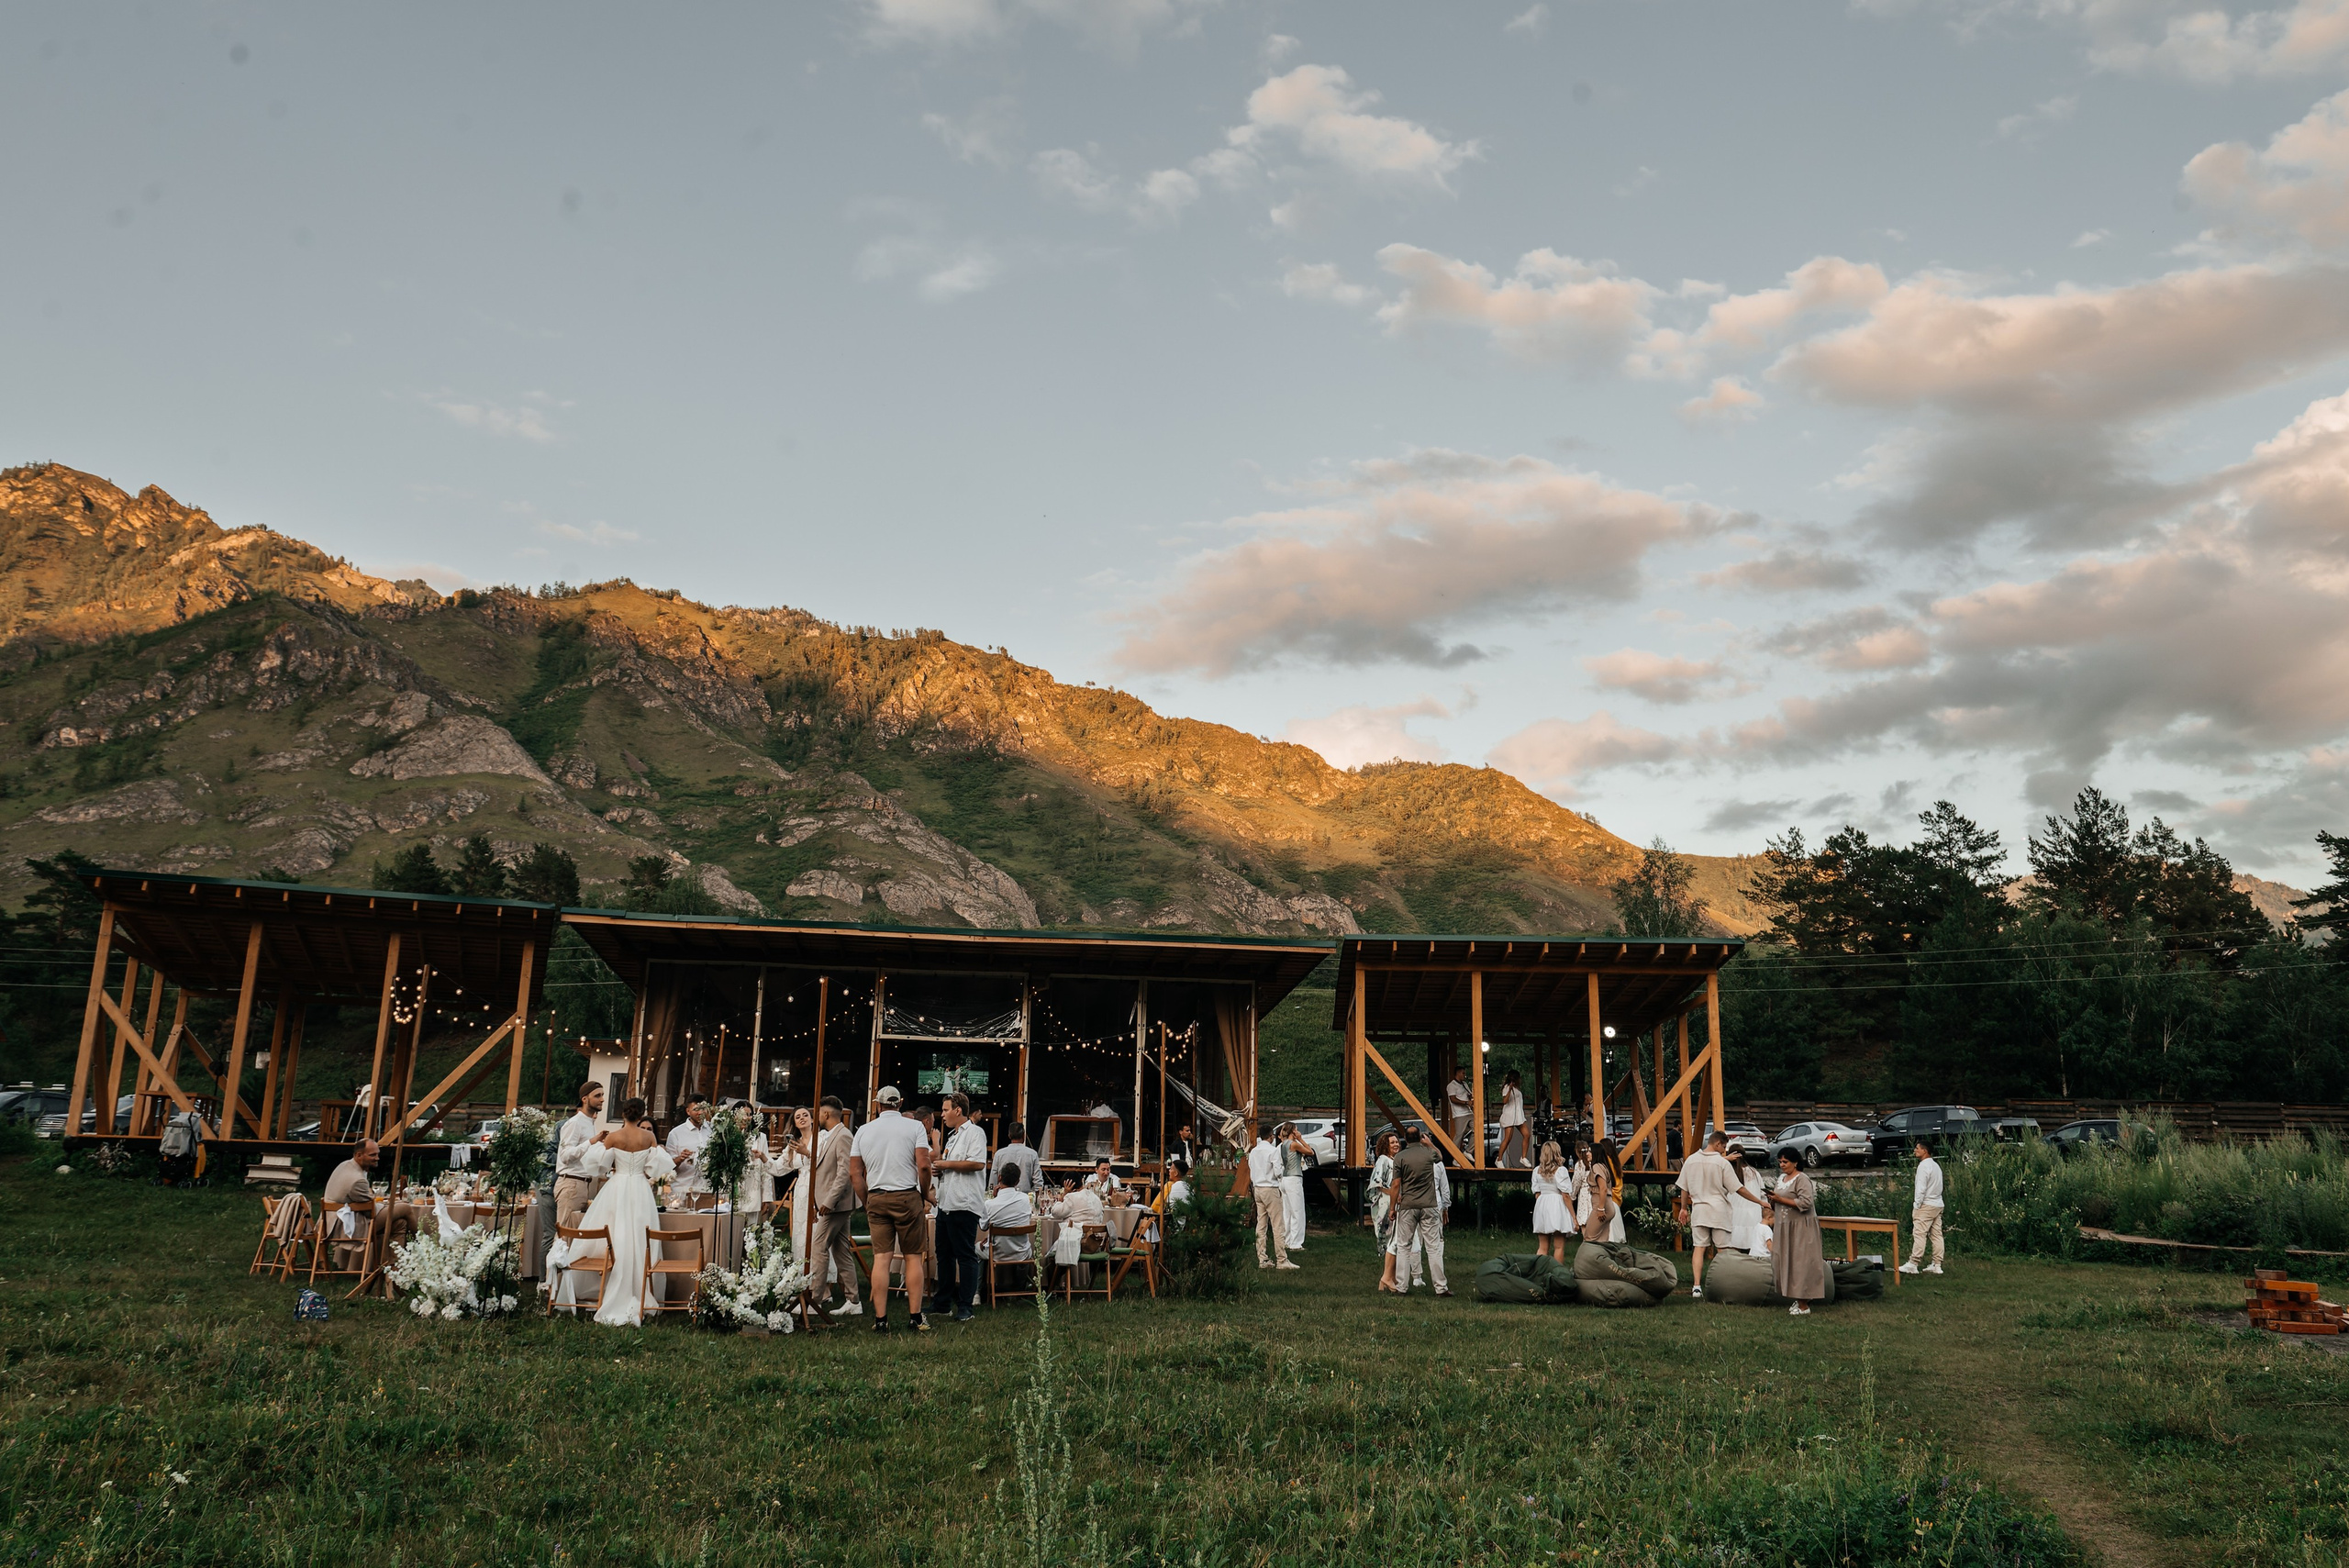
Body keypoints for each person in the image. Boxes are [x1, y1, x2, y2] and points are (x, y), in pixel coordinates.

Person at [558, 1098, 677, 1328]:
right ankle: (639, 1289)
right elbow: (656, 1167)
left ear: (623, 1114)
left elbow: (599, 1166)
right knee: (640, 1236)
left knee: (615, 1233)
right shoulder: (649, 1137)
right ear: (642, 1115)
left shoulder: (613, 1137)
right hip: (640, 1190)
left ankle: (606, 1286)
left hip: (617, 1187)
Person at [849, 1085, 933, 1333]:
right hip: (907, 1196)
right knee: (913, 1257)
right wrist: (924, 1193)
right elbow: (925, 1166)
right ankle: (916, 1318)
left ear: (878, 1105)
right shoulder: (915, 1127)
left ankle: (881, 1320)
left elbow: (855, 1173)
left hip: (876, 1196)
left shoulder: (863, 1131)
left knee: (881, 1259)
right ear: (900, 1103)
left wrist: (867, 1201)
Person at [933, 1092, 989, 1323]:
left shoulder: (975, 1133)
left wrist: (945, 1164)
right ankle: (942, 1303)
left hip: (964, 1204)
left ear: (958, 1110)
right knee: (943, 1255)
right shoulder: (952, 1137)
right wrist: (940, 1169)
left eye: (946, 1110)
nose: (943, 1114)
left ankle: (965, 1306)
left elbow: (977, 1163)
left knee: (965, 1255)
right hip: (945, 1203)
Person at [809, 1097, 862, 1317]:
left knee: (818, 1247)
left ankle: (815, 1300)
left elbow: (844, 1173)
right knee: (841, 1252)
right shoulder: (833, 1135)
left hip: (837, 1205)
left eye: (818, 1113)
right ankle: (854, 1301)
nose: (816, 1117)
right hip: (833, 1204)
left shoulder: (843, 1136)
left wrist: (828, 1201)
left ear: (826, 1114)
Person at [1674, 1130, 1740, 1299]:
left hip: (1699, 1209)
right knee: (1722, 1249)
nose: (1724, 1151)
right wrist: (1759, 1201)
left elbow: (1684, 1188)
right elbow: (1737, 1188)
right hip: (1718, 1210)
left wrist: (1683, 1208)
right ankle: (1724, 1284)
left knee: (1699, 1248)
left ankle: (1696, 1286)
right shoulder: (1722, 1163)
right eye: (1724, 1146)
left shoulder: (1691, 1160)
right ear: (1717, 1143)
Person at [1390, 1126, 1449, 1296]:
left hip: (1408, 1205)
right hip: (1429, 1205)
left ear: (1405, 1139)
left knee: (1403, 1246)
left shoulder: (1400, 1157)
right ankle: (1441, 1287)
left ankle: (1401, 1287)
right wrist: (1430, 1144)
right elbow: (1440, 1156)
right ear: (1420, 1137)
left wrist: (1392, 1208)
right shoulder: (1428, 1154)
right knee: (1433, 1247)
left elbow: (1395, 1185)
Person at [1767, 1150, 1828, 1315]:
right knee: (1786, 1261)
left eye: (1785, 1162)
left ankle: (1804, 1304)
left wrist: (1781, 1200)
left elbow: (1806, 1202)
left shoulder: (1802, 1179)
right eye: (1780, 1162)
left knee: (1801, 1263)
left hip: (1801, 1227)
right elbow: (1779, 1200)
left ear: (1795, 1162)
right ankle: (1797, 1297)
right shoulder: (1781, 1179)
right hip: (1784, 1227)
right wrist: (1773, 1200)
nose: (1782, 1165)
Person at [553, 1081, 607, 1230]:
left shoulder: (590, 1123)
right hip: (571, 1184)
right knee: (564, 1236)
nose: (602, 1099)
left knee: (576, 1238)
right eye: (597, 1095)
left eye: (602, 1095)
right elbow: (565, 1155)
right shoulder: (575, 1123)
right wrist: (591, 1141)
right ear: (584, 1099)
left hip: (584, 1185)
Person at [322, 1140, 381, 1263]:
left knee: (399, 1222)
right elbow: (370, 1212)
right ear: (359, 1155)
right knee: (404, 1211)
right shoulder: (357, 1180)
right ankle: (397, 1265)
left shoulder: (344, 1165)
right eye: (373, 1155)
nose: (377, 1158)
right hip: (343, 1227)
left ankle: (352, 1264)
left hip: (327, 1222)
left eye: (377, 1154)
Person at [1246, 1126, 1296, 1270]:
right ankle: (1281, 1259)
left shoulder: (1254, 1152)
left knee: (1261, 1224)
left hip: (1258, 1189)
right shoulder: (1273, 1151)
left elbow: (1251, 1169)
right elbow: (1278, 1171)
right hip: (1271, 1188)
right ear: (1271, 1136)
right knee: (1277, 1225)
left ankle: (1262, 1258)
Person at [1901, 1140, 1946, 1275]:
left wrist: (1917, 1206)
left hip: (1926, 1205)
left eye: (1917, 1148)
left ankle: (1913, 1263)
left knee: (1919, 1234)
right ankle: (1937, 1265)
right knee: (1937, 1235)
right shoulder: (1936, 1166)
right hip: (1937, 1204)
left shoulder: (1923, 1167)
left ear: (1924, 1151)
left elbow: (1920, 1189)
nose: (1915, 1150)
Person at [1370, 1131, 1403, 1293]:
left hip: (1396, 1202)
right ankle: (1387, 1277)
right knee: (1392, 1241)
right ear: (1385, 1145)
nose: (1396, 1144)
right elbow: (1377, 1182)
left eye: (1397, 1142)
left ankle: (1388, 1279)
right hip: (1386, 1203)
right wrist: (1393, 1194)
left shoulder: (1395, 1160)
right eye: (1392, 1142)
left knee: (1395, 1241)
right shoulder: (1383, 1160)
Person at [1530, 1140, 1573, 1262]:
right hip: (1557, 1204)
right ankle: (1557, 1273)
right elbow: (1565, 1195)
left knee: (1542, 1246)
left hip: (1542, 1204)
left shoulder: (1536, 1171)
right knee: (1559, 1246)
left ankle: (1539, 1272)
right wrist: (1573, 1217)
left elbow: (1537, 1193)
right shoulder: (1561, 1171)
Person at [1727, 1147, 1772, 1259]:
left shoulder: (1729, 1172)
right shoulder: (1754, 1172)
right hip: (1754, 1212)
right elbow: (1762, 1192)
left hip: (1735, 1213)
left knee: (1734, 1245)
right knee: (1753, 1243)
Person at [1580, 1139, 1627, 1243]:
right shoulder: (1606, 1165)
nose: (1587, 1154)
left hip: (1601, 1205)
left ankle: (1588, 1258)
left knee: (1589, 1237)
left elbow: (1603, 1188)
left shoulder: (1597, 1167)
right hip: (1611, 1204)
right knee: (1603, 1239)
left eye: (1590, 1151)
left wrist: (1600, 1209)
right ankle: (1604, 1257)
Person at [665, 1100, 713, 1195]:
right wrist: (681, 1158)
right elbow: (667, 1166)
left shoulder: (712, 1130)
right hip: (683, 1189)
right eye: (695, 1109)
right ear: (688, 1111)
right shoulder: (676, 1133)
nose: (700, 1113)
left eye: (703, 1109)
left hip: (708, 1189)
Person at [1279, 1122, 1311, 1251]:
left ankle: (1287, 1240)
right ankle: (1296, 1243)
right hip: (1294, 1179)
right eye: (1296, 1130)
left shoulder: (1282, 1145)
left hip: (1285, 1179)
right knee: (1298, 1212)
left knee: (1287, 1212)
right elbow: (1310, 1152)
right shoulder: (1294, 1144)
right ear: (1293, 1131)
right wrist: (1300, 1138)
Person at [996, 1122, 1041, 1193]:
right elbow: (1038, 1183)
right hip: (1025, 1197)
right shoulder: (1032, 1154)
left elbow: (993, 1181)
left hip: (1003, 1197)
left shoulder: (999, 1154)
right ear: (1024, 1135)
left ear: (1009, 1135)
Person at [1497, 1070, 1529, 1169]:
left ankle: (1523, 1157)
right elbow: (1505, 1101)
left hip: (1518, 1115)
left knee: (1527, 1135)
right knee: (1507, 1139)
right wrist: (1509, 1089)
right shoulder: (1507, 1087)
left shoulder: (1517, 1088)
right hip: (1510, 1115)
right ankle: (1499, 1159)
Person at [1445, 1066, 1472, 1153]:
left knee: (1478, 1130)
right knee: (1459, 1135)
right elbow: (1452, 1099)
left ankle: (1468, 1151)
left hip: (1469, 1112)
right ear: (1458, 1073)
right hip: (1459, 1114)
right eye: (1463, 1073)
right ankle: (1455, 1156)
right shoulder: (1451, 1085)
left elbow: (1468, 1094)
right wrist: (1466, 1102)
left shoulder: (1465, 1084)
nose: (1465, 1075)